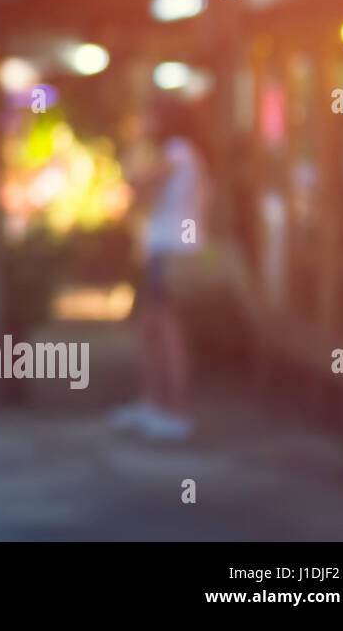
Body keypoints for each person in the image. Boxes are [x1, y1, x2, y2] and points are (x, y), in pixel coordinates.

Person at [110, 98, 208, 442]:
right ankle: (154, 403)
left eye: (152, 115)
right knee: (151, 329)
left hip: (171, 252)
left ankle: (177, 411)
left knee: (167, 331)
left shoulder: (178, 152)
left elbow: (138, 185)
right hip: (163, 250)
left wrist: (135, 142)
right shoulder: (184, 154)